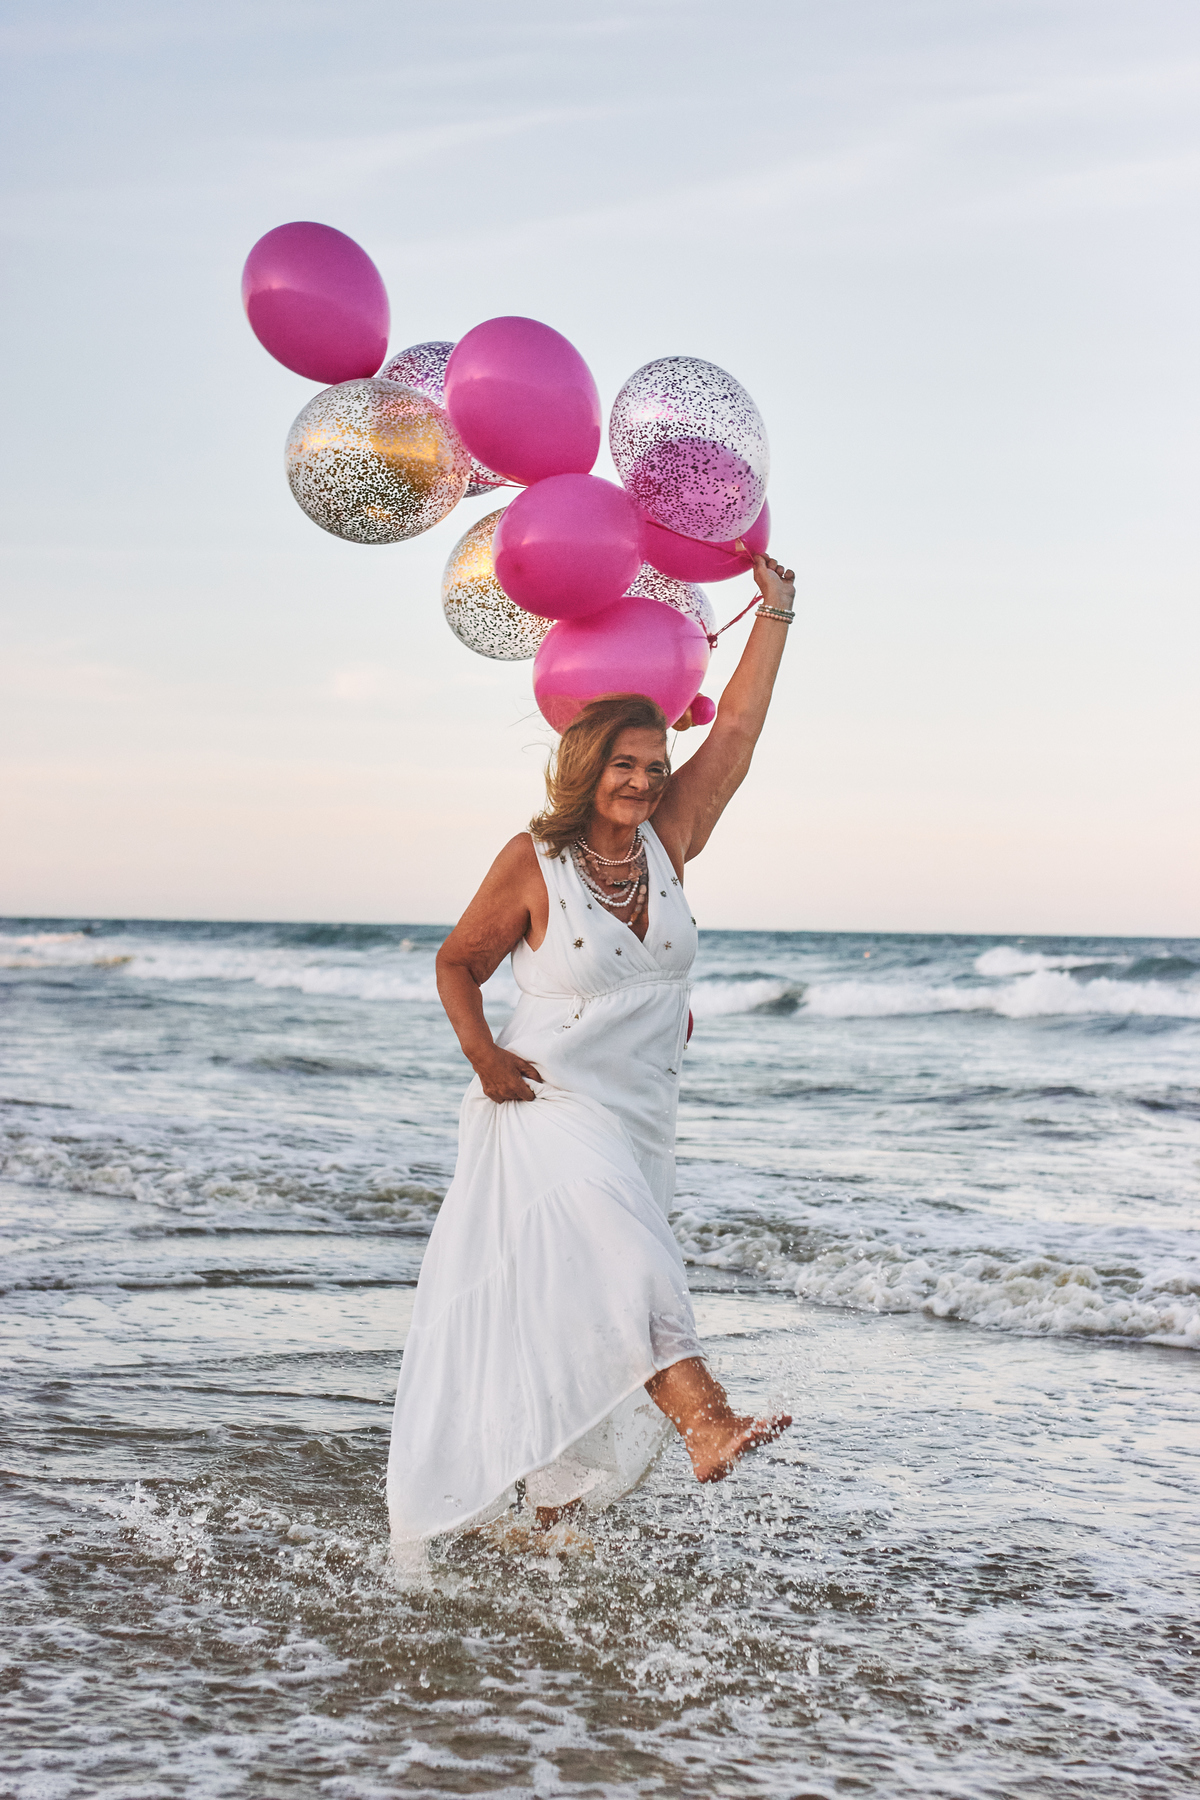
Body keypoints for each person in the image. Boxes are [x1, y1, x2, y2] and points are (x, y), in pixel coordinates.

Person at [387, 552, 797, 1544]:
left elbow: (734, 732)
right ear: (584, 766)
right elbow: (457, 962)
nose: (646, 781)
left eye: (657, 766)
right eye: (626, 764)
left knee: (583, 1301)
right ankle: (706, 1420)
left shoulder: (672, 836)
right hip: (544, 1103)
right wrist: (484, 1059)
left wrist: (776, 614)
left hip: (640, 1113)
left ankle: (553, 1512)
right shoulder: (534, 860)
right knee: (624, 1259)